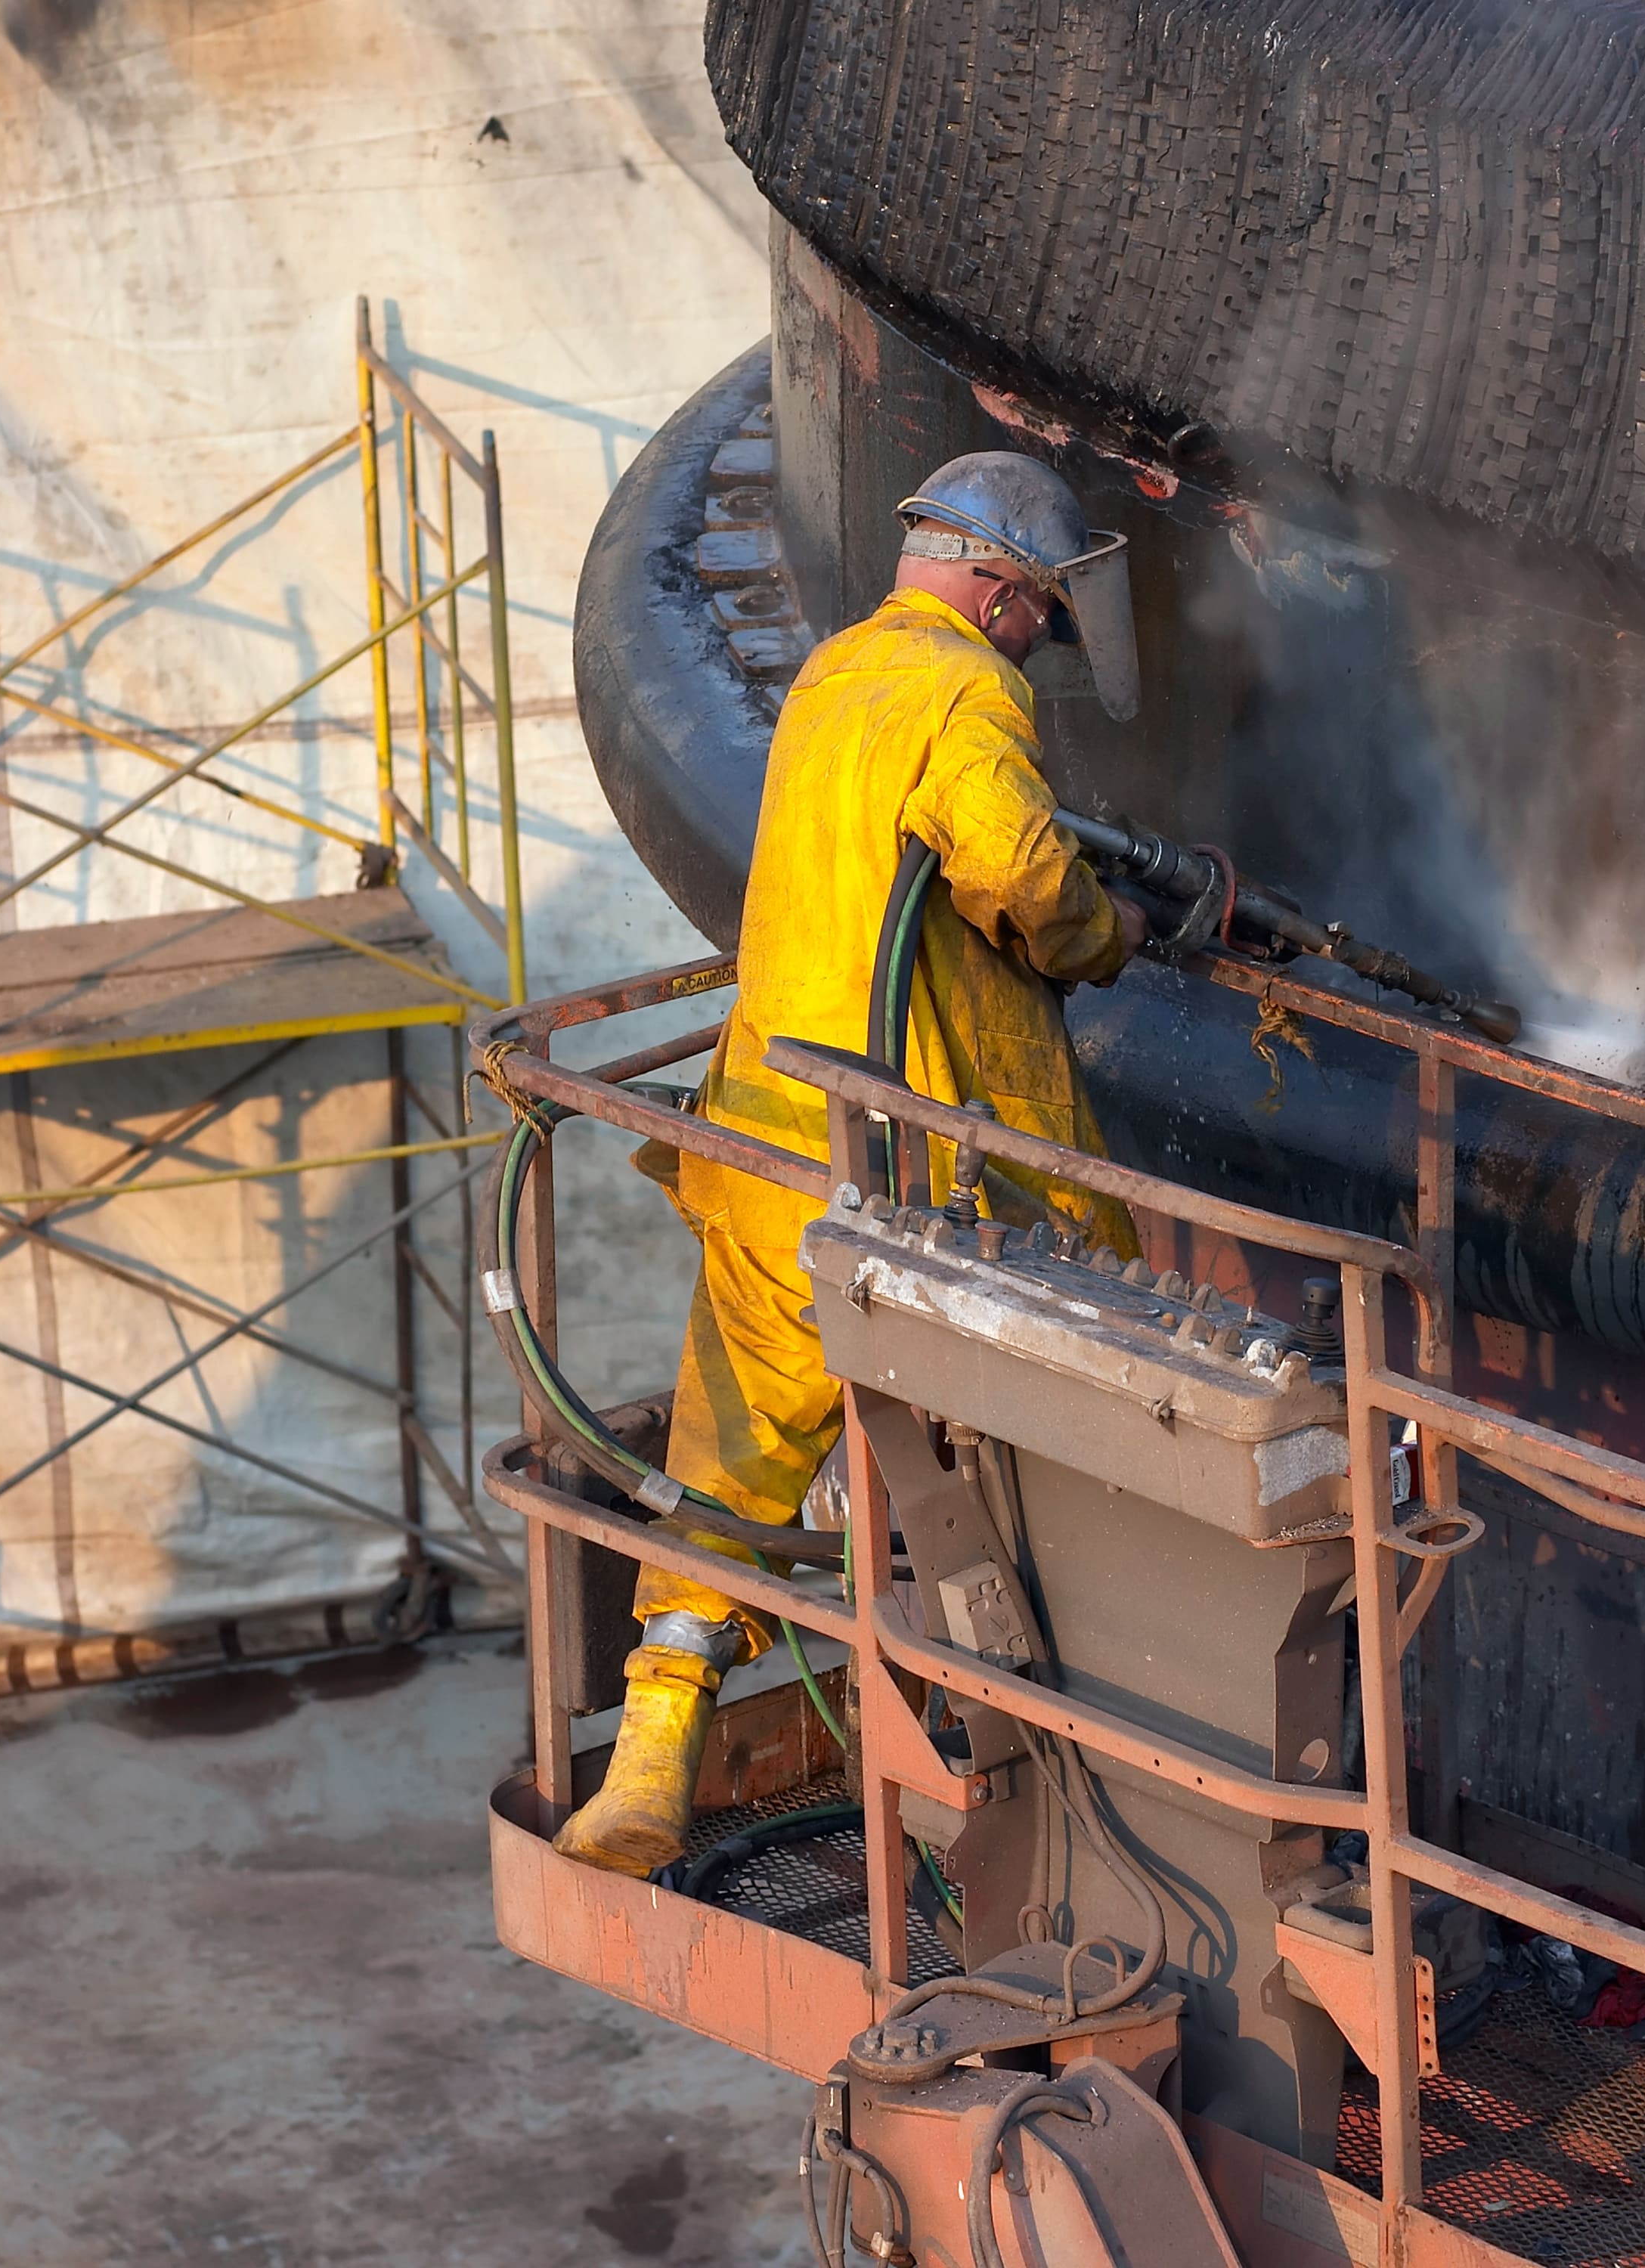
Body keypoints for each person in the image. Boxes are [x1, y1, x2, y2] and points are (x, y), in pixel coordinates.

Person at [554, 451, 1150, 1875]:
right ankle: (1075, 1746)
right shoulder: (964, 687)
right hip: (928, 1165)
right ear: (1003, 591)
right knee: (1067, 1426)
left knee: (736, 1454)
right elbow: (1013, 868)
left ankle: (650, 1762)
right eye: (1040, 616)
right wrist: (1103, 937)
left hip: (767, 1138)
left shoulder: (830, 674)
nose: (1038, 642)